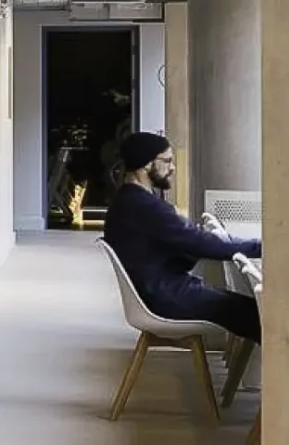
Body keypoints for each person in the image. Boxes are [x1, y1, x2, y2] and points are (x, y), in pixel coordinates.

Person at [102, 132, 263, 342]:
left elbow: (191, 242)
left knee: (248, 309)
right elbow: (200, 244)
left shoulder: (129, 200)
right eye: (167, 161)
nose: (173, 168)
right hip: (167, 298)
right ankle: (288, 371)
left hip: (159, 292)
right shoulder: (144, 206)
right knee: (259, 314)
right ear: (147, 164)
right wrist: (261, 247)